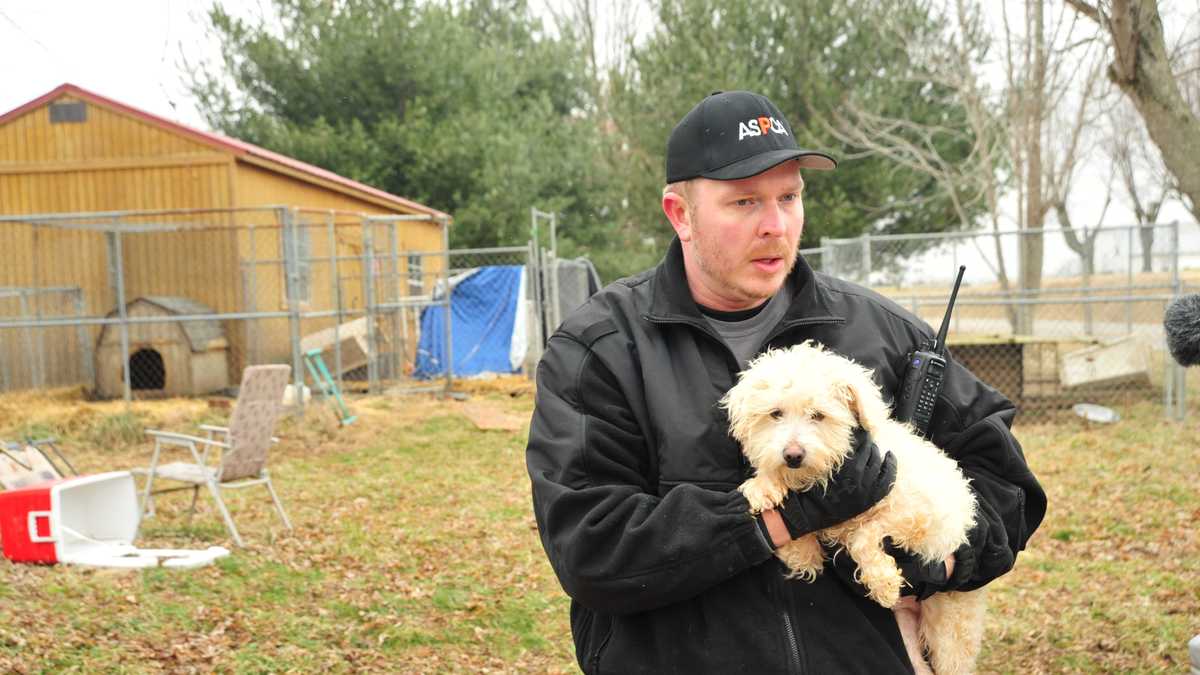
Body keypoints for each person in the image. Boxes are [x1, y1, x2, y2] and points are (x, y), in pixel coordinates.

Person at [525, 90, 1046, 674]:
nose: (775, 225)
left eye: (789, 197)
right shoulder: (603, 350)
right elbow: (592, 547)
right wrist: (782, 518)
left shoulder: (883, 332)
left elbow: (1005, 480)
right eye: (744, 201)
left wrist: (947, 561)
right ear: (680, 213)